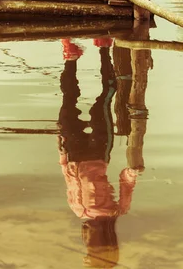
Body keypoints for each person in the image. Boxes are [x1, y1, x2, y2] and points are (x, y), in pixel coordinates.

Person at [58, 38, 139, 267]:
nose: (89, 241)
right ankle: (104, 49)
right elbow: (126, 183)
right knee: (104, 98)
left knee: (68, 102)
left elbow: (69, 181)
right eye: (94, 247)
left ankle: (71, 58)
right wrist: (133, 171)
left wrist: (62, 155)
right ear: (105, 240)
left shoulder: (77, 211)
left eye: (89, 247)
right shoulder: (116, 211)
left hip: (73, 153)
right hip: (97, 152)